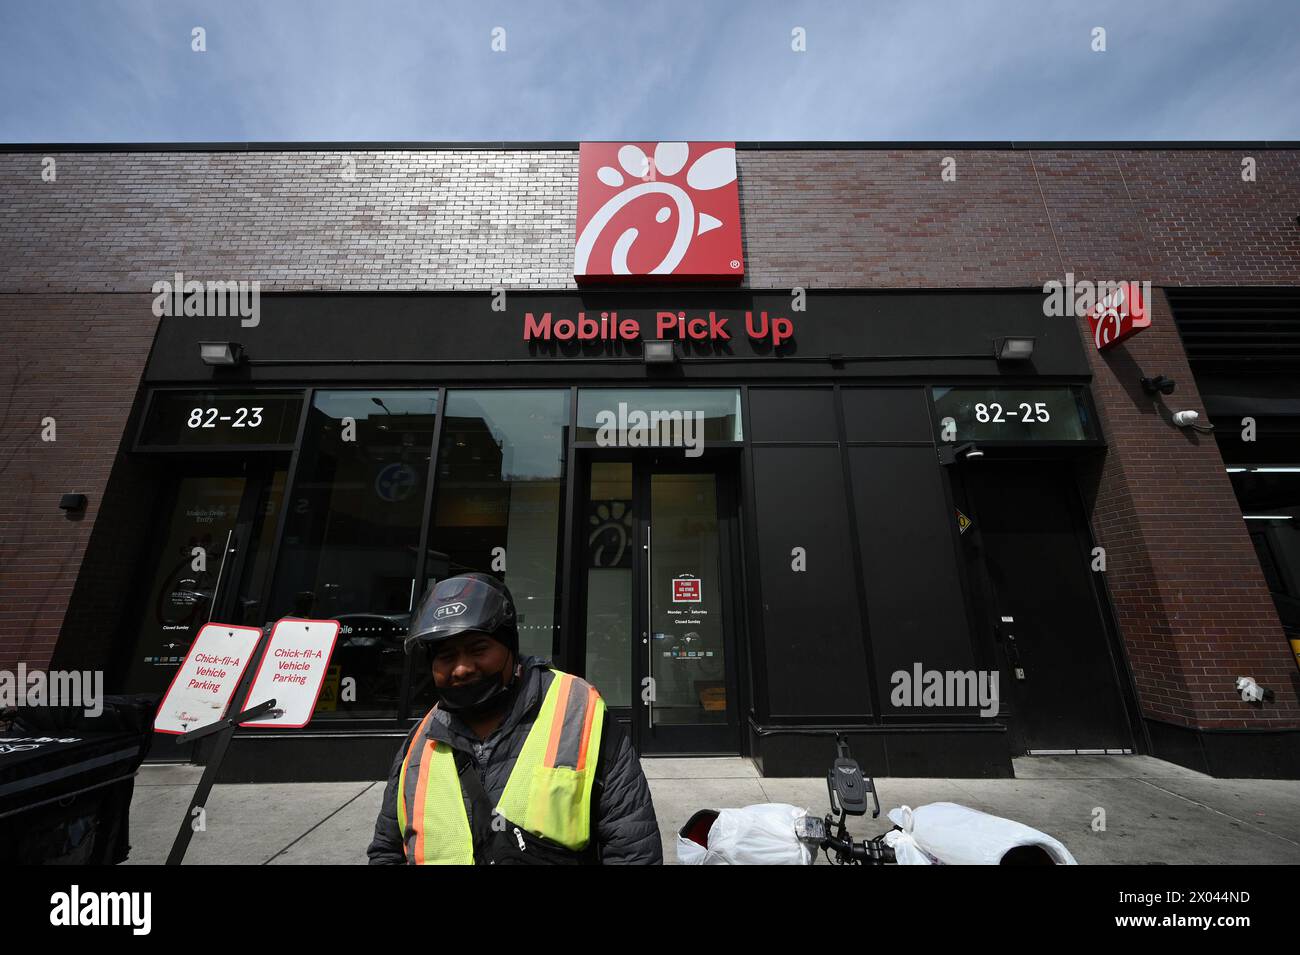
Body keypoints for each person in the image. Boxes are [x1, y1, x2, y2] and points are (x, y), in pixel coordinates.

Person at [367, 572, 663, 864]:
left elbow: (632, 848)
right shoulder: (420, 741)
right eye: (446, 657)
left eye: (478, 649)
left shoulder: (577, 712)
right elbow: (387, 849)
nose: (461, 668)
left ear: (510, 646)